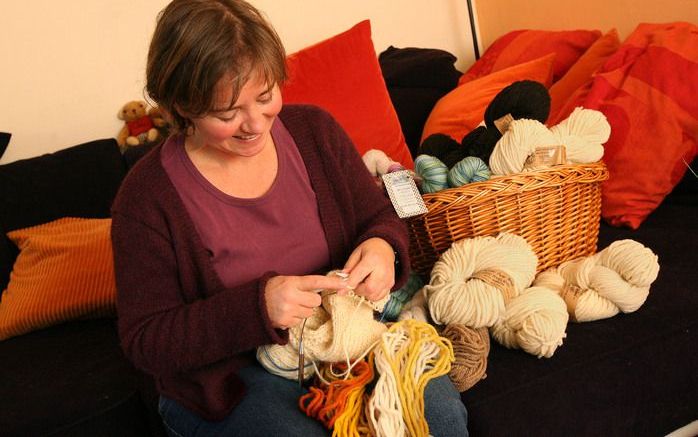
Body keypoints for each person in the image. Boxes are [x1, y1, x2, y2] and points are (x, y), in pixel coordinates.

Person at [111, 0, 469, 435]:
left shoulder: (314, 131)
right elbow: (147, 341)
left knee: (442, 417)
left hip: (344, 338)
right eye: (227, 113)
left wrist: (381, 247)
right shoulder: (146, 198)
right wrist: (257, 307)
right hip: (229, 378)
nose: (254, 125)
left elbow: (378, 216)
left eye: (265, 98)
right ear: (181, 106)